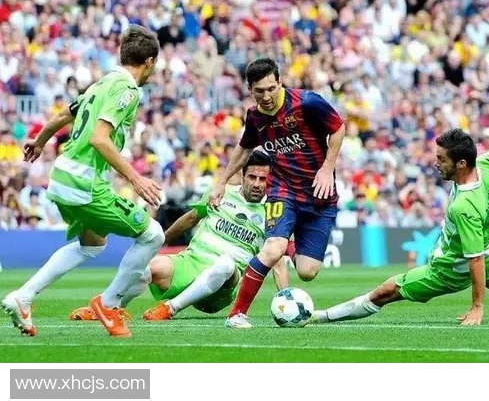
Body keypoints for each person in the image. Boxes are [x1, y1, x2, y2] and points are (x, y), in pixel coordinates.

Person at [309, 64, 489, 327]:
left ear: (460, 164)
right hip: (485, 249)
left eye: (441, 159)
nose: (436, 163)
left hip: (451, 268)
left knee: (386, 291)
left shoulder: (464, 206)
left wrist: (477, 307)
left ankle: (321, 316)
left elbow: (475, 261)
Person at [1, 25, 165, 338]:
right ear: (150, 62)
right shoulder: (128, 90)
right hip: (85, 183)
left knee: (92, 244)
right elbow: (99, 138)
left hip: (62, 175)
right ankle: (109, 304)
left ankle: (23, 296)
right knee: (153, 235)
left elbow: (64, 115)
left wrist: (39, 141)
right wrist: (136, 178)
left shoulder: (101, 83)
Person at [69, 150, 289, 321]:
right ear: (242, 175)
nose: (257, 184)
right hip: (191, 262)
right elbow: (191, 218)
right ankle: (107, 308)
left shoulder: (272, 211)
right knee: (146, 268)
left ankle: (170, 308)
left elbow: (277, 260)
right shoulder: (220, 193)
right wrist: (160, 241)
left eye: (263, 179)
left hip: (223, 285)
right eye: (252, 177)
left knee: (225, 263)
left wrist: (286, 300)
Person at [209, 57, 346, 328]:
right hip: (283, 190)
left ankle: (290, 245)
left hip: (319, 194)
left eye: (271, 88)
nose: (266, 96)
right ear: (250, 89)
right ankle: (237, 314)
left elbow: (338, 127)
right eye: (259, 91)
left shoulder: (307, 103)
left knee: (307, 271)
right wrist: (222, 181)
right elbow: (245, 147)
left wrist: (327, 168)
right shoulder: (255, 116)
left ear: (280, 82)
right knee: (273, 249)